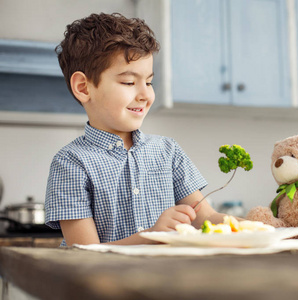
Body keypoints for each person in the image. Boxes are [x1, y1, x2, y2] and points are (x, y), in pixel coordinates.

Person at [45, 13, 227, 246]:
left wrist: (267, 225)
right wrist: (152, 235)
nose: (145, 95)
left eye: (149, 82)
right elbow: (84, 252)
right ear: (83, 87)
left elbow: (208, 219)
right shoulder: (70, 163)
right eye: (129, 82)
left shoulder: (168, 151)